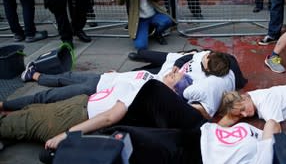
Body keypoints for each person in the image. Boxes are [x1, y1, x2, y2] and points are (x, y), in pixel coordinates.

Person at [0, 49, 235, 118]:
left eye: (175, 75)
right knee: (66, 77)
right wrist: (119, 74)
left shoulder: (160, 90)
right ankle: (34, 76)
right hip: (106, 78)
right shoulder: (156, 78)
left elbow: (200, 108)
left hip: (96, 94)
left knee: (48, 98)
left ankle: (7, 105)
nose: (174, 72)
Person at [0, 72, 207, 150]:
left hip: (74, 116)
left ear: (172, 92)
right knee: (32, 109)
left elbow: (109, 117)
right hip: (81, 103)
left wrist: (67, 134)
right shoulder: (150, 84)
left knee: (20, 122)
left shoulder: (149, 92)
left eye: (175, 77)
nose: (173, 72)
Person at [200, 120, 280, 164]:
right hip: (205, 129)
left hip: (199, 148)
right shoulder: (266, 153)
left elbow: (272, 124)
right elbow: (272, 124)